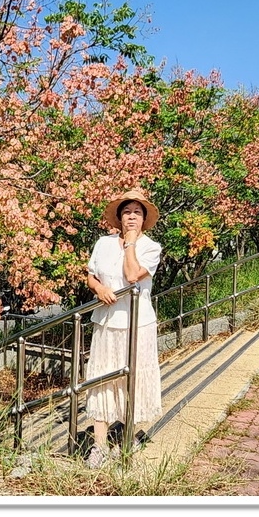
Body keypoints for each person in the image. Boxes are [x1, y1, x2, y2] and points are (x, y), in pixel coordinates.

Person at [84, 188, 163, 468]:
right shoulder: (103, 243)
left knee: (132, 381)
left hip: (137, 324)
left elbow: (132, 275)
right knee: (103, 380)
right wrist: (99, 289)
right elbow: (91, 276)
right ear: (119, 217)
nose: (131, 217)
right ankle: (100, 445)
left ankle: (129, 436)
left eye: (137, 212)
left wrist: (130, 244)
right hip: (106, 321)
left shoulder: (151, 247)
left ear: (144, 219)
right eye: (127, 212)